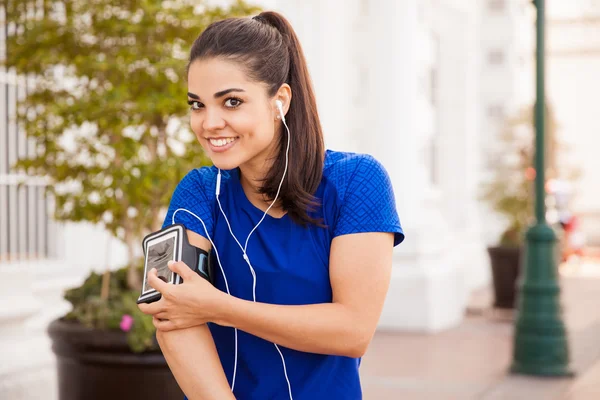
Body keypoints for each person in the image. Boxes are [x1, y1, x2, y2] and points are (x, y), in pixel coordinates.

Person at [138, 11, 404, 400]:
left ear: (279, 100)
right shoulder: (197, 192)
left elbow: (352, 330)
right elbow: (170, 312)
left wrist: (217, 307)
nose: (209, 123)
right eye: (197, 104)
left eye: (231, 102)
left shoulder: (358, 182)